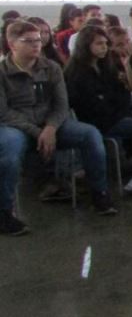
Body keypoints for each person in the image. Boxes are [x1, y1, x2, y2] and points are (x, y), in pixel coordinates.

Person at [1, 21, 118, 233]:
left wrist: (50, 128)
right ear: (12, 44)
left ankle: (99, 193)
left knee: (90, 134)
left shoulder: (51, 68)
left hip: (51, 124)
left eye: (38, 40)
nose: (36, 44)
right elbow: (5, 112)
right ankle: (5, 212)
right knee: (9, 151)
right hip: (16, 126)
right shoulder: (2, 72)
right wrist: (37, 132)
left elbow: (61, 105)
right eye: (28, 41)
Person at [65, 26, 132, 197]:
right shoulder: (77, 72)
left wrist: (112, 98)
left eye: (105, 43)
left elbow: (123, 93)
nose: (104, 47)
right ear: (86, 45)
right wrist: (112, 101)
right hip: (98, 121)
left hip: (117, 114)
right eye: (99, 44)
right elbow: (91, 104)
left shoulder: (105, 66)